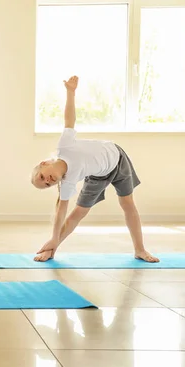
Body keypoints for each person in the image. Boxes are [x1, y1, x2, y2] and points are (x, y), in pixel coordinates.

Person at [30, 76, 159, 263]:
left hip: (117, 159)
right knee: (79, 213)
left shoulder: (64, 146)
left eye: (42, 177)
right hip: (97, 176)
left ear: (44, 163)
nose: (47, 181)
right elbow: (61, 212)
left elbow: (69, 119)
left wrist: (70, 92)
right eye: (47, 185)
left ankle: (140, 249)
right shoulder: (66, 183)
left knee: (127, 204)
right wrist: (53, 239)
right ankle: (51, 250)